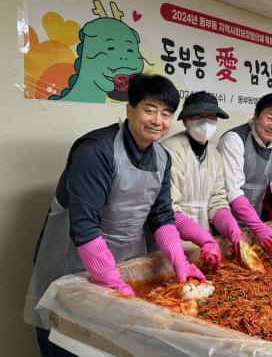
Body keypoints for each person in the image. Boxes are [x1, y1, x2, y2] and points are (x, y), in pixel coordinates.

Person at [25, 74, 204, 357]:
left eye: (166, 113)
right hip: (71, 260)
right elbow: (84, 226)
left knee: (106, 345)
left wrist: (179, 263)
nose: (158, 120)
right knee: (65, 339)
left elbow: (162, 216)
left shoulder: (161, 157)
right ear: (129, 109)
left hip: (120, 261)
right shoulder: (96, 151)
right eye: (150, 109)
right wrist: (113, 283)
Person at [162, 91, 244, 260]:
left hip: (206, 242)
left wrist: (231, 227)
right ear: (185, 121)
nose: (205, 122)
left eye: (211, 116)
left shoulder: (214, 154)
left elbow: (217, 200)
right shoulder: (170, 150)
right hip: (172, 240)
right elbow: (167, 208)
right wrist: (203, 239)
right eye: (198, 116)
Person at [218, 93, 272, 253]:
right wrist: (259, 227)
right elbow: (232, 190)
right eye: (269, 118)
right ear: (256, 115)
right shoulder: (234, 139)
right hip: (224, 222)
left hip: (254, 220)